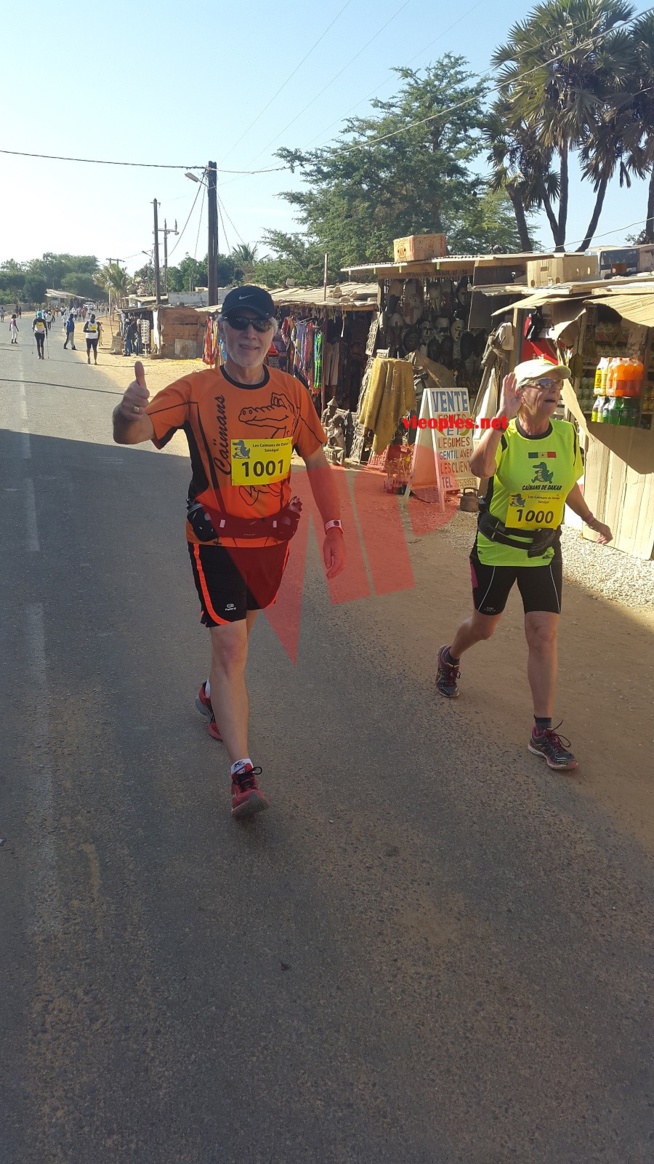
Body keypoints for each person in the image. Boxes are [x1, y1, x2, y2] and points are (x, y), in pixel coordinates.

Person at [112, 285, 346, 819]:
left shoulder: (292, 392)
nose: (249, 334)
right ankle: (242, 773)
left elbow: (317, 460)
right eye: (238, 322)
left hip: (271, 543)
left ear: (274, 332)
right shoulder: (195, 390)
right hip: (215, 540)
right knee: (232, 646)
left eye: (260, 324)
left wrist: (334, 526)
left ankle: (213, 695)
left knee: (238, 640)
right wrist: (127, 412)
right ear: (222, 329)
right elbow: (133, 433)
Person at [436, 358, 612, 771]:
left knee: (544, 634)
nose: (553, 391)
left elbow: (566, 484)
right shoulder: (504, 433)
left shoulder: (566, 434)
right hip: (498, 549)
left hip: (542, 550)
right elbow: (480, 469)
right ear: (521, 391)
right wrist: (501, 416)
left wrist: (590, 518)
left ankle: (542, 731)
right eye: (543, 384)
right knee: (484, 628)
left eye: (557, 385)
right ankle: (450, 656)